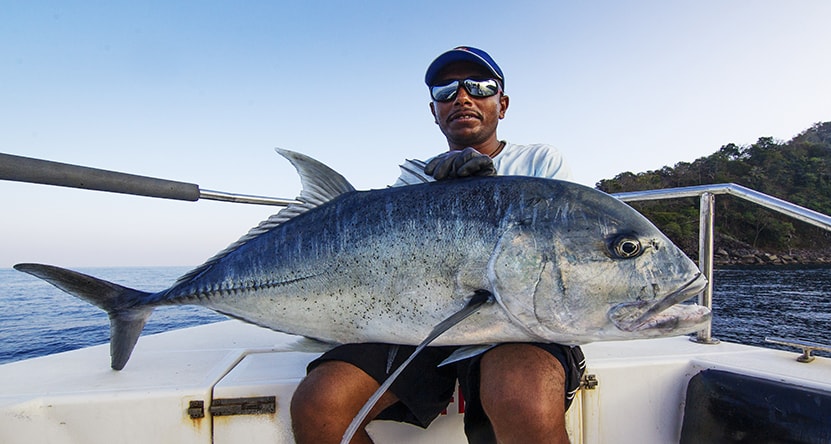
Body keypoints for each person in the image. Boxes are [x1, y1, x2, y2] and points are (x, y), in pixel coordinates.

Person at [290, 46, 585, 444]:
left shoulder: (541, 163)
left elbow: (559, 241)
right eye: (446, 90)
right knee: (319, 404)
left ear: (503, 103)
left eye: (480, 86)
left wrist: (484, 180)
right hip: (421, 325)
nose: (462, 97)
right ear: (434, 111)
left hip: (521, 323)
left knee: (522, 401)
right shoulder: (413, 186)